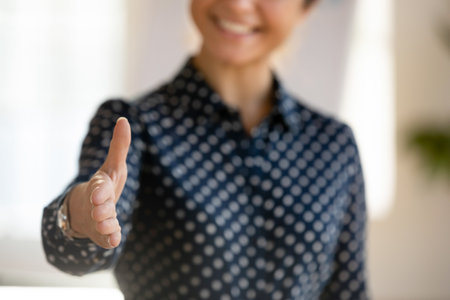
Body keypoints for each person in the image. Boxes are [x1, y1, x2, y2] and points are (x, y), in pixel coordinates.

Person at [42, 0, 369, 299]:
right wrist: (82, 214)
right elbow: (72, 250)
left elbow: (349, 291)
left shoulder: (334, 146)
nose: (239, 5)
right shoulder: (134, 127)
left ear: (307, 7)